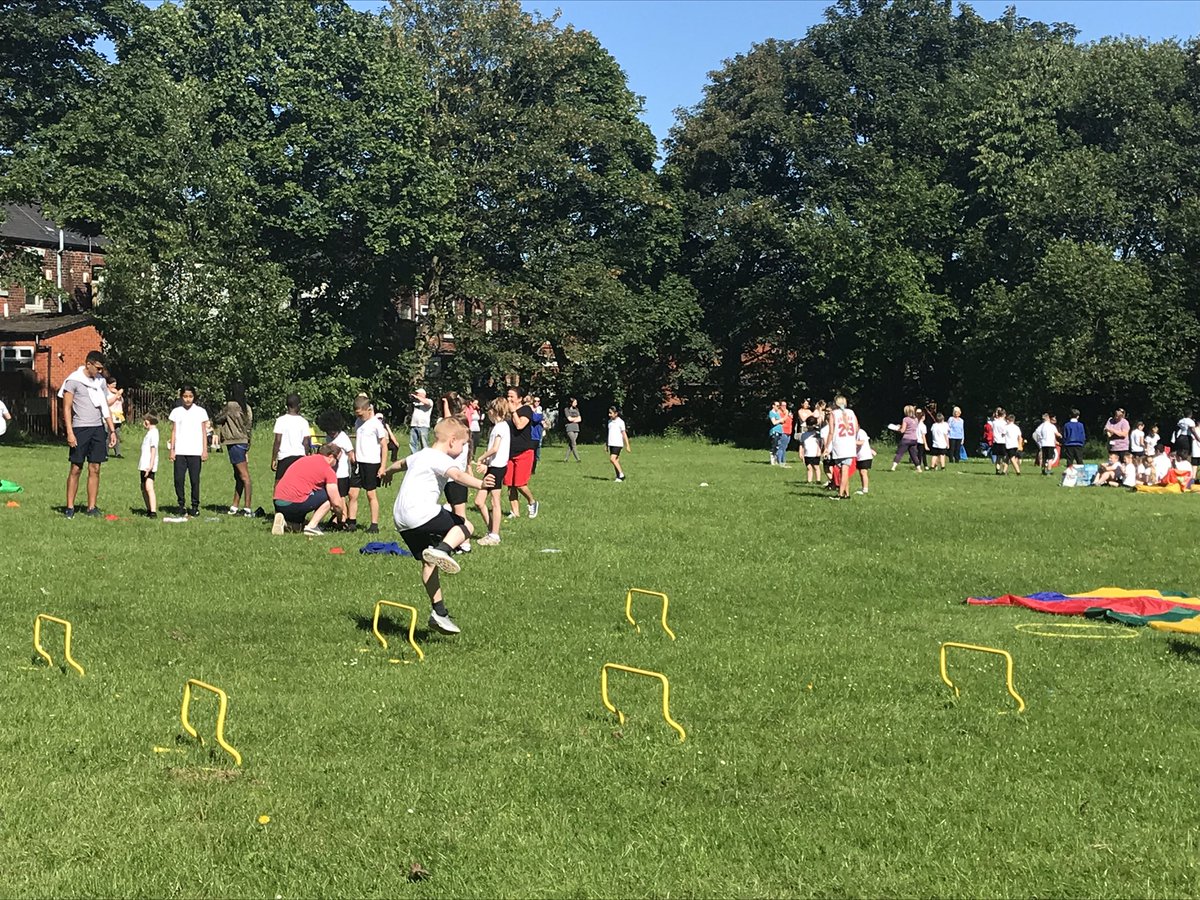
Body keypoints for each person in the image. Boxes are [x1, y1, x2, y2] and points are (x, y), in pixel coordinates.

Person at [382, 418, 495, 635]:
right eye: (463, 445)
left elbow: (401, 464)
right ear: (452, 441)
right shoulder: (439, 458)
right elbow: (458, 475)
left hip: (401, 519)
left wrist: (387, 471)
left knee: (428, 562)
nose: (463, 450)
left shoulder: (422, 454)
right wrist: (481, 484)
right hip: (420, 512)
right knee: (466, 527)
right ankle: (442, 550)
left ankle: (439, 613)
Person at [59, 350, 116, 518]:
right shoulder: (73, 381)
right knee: (76, 468)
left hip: (98, 428)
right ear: (88, 364)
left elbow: (104, 406)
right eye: (97, 368)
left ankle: (92, 507)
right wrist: (70, 432)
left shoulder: (100, 382)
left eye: (101, 369)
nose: (99, 372)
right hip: (80, 429)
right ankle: (70, 507)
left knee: (95, 468)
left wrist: (112, 430)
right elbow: (67, 408)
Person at [272, 442, 345, 536]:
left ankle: (284, 521)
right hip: (294, 503)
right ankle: (312, 526)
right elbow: (336, 503)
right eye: (337, 460)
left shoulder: (304, 459)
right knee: (328, 497)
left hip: (278, 501)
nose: (337, 464)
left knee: (297, 528)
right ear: (331, 457)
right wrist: (340, 518)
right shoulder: (328, 470)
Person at [474, 398, 511, 546]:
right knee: (478, 501)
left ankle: (494, 535)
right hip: (493, 466)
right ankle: (491, 530)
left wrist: (481, 458)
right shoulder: (500, 427)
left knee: (495, 501)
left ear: (494, 411)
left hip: (497, 468)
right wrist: (486, 463)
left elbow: (495, 448)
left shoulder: (500, 427)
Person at [348, 396, 388, 534]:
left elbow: (384, 446)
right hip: (359, 462)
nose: (359, 416)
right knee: (352, 493)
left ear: (368, 410)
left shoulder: (376, 424)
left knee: (371, 494)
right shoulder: (358, 422)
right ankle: (351, 522)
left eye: (361, 414)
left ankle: (374, 524)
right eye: (357, 414)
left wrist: (382, 466)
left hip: (372, 463)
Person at [214, 382, 254, 517]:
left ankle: (247, 507)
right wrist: (248, 445)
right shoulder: (247, 407)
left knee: (244, 476)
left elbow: (218, 418)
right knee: (238, 476)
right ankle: (235, 505)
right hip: (243, 442)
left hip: (234, 442)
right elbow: (249, 427)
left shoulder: (230, 406)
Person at [169, 385, 209, 516]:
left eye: (190, 396)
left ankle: (195, 505)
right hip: (180, 451)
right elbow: (174, 431)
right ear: (181, 397)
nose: (188, 399)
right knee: (179, 479)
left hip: (195, 451)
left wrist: (204, 450)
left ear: (194, 397)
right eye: (185, 396)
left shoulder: (201, 412)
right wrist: (172, 450)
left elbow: (204, 432)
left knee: (194, 480)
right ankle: (181, 504)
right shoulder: (176, 411)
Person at [505, 386, 540, 518]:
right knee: (510, 484)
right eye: (508, 396)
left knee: (520, 484)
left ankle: (532, 502)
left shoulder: (526, 410)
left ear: (519, 398)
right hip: (510, 452)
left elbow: (520, 425)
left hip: (524, 451)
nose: (509, 399)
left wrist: (513, 412)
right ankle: (515, 512)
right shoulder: (507, 411)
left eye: (512, 396)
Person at [316, 409, 353, 529]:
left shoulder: (343, 437)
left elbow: (351, 453)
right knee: (333, 497)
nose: (331, 434)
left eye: (333, 431)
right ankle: (336, 519)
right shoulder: (328, 437)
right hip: (331, 473)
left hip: (342, 473)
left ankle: (343, 519)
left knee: (341, 497)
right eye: (329, 431)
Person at [824, 394, 859, 500]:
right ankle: (846, 493)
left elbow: (831, 432)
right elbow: (856, 428)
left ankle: (840, 494)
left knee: (843, 470)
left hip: (839, 444)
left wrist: (826, 446)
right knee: (844, 470)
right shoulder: (851, 413)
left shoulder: (833, 414)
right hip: (849, 444)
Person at [272, 394, 310, 483]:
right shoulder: (303, 422)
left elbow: (277, 441)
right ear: (299, 406)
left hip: (284, 457)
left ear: (287, 406)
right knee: (298, 483)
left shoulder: (280, 420)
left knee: (279, 483)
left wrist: (274, 458)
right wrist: (307, 456)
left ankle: (277, 497)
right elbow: (306, 443)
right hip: (299, 456)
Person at [138, 413, 159, 517]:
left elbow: (153, 449)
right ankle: (149, 508)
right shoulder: (149, 433)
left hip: (148, 465)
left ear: (148, 421)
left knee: (149, 486)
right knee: (143, 487)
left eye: (144, 421)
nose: (143, 423)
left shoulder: (154, 433)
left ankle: (153, 511)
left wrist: (151, 465)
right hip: (144, 464)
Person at [890, 405, 921, 472]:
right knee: (914, 455)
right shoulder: (916, 419)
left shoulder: (905, 419)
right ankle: (919, 468)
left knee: (899, 453)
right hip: (914, 439)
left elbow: (903, 430)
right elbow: (911, 427)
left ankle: (893, 467)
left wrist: (897, 429)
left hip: (906, 439)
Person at [607, 405, 631, 482]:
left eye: (611, 413)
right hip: (611, 443)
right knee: (616, 460)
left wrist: (627, 445)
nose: (609, 415)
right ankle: (618, 477)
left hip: (618, 444)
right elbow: (609, 433)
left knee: (612, 459)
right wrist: (607, 444)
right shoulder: (609, 422)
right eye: (609, 413)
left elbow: (624, 434)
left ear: (616, 413)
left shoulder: (620, 422)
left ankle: (621, 474)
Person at [105, 376, 125, 458]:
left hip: (118, 416)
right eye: (112, 384)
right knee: (108, 434)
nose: (114, 386)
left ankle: (118, 452)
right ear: (108, 385)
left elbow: (122, 402)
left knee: (117, 433)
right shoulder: (106, 393)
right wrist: (116, 395)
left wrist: (118, 394)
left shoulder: (116, 392)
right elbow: (108, 403)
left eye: (115, 384)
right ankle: (105, 452)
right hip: (110, 416)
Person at [799, 416, 823, 483]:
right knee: (809, 467)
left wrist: (819, 451)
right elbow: (801, 444)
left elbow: (819, 443)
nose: (809, 427)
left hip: (815, 453)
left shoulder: (817, 434)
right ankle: (809, 480)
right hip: (807, 454)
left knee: (816, 467)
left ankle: (818, 480)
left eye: (811, 425)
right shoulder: (804, 435)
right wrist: (801, 452)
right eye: (808, 425)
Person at [409, 388, 433, 453]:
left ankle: (425, 457)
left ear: (423, 394)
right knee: (413, 443)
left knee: (424, 443)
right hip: (414, 425)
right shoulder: (415, 403)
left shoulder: (429, 401)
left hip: (423, 426)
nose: (416, 395)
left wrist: (417, 397)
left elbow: (427, 403)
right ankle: (413, 457)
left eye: (417, 394)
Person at [854, 426, 875, 495]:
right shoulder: (855, 433)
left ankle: (865, 489)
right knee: (861, 472)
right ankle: (863, 487)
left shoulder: (861, 432)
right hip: (860, 456)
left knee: (863, 472)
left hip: (865, 456)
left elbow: (862, 442)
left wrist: (851, 442)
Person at [990, 408, 1009, 475]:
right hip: (1003, 441)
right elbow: (1004, 432)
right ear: (1004, 414)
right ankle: (1004, 471)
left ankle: (997, 470)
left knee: (998, 457)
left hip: (996, 441)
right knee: (1005, 457)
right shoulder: (1005, 423)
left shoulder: (994, 422)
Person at [563, 398, 582, 462]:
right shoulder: (566, 409)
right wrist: (575, 419)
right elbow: (569, 419)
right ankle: (578, 458)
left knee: (571, 443)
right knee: (574, 443)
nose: (576, 404)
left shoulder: (577, 409)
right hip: (569, 428)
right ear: (571, 403)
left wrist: (573, 419)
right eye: (575, 402)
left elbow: (580, 419)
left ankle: (566, 459)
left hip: (576, 428)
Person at [776, 401, 793, 467]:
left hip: (789, 431)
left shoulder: (787, 413)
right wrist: (787, 414)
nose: (784, 407)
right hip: (783, 431)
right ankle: (779, 461)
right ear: (780, 406)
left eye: (785, 405)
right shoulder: (779, 413)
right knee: (781, 447)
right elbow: (782, 420)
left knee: (785, 447)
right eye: (783, 405)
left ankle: (783, 461)